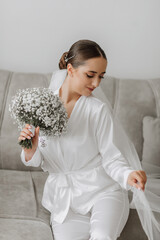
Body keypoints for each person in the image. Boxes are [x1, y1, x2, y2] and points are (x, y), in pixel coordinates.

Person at [19, 39, 150, 240]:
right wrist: (31, 148)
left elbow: (111, 157)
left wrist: (127, 174)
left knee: (102, 235)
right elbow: (38, 161)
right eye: (90, 75)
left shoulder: (98, 110)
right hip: (65, 200)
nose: (96, 83)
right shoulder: (41, 106)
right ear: (70, 69)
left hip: (104, 192)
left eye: (101, 77)